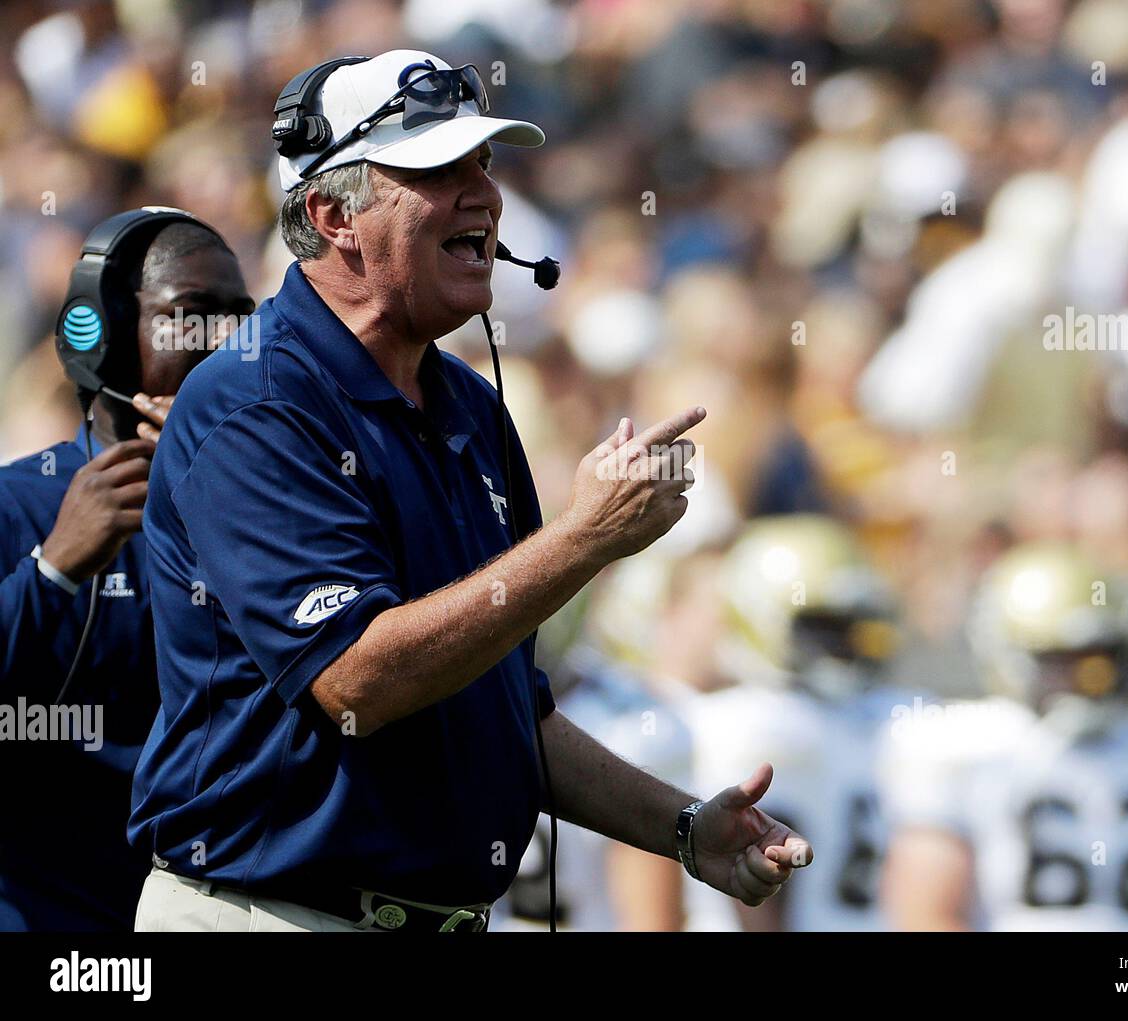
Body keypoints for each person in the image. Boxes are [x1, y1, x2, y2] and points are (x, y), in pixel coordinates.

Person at [129, 49, 811, 933]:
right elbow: (353, 682)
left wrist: (683, 829)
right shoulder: (254, 402)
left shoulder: (469, 406)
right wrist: (583, 539)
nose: (483, 195)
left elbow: (505, 709)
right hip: (272, 916)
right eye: (436, 169)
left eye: (483, 164)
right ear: (333, 212)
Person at [0, 209, 251, 930]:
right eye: (194, 316)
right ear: (103, 339)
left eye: (243, 317)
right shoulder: (19, 504)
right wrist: (55, 568)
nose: (227, 341)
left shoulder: (275, 516)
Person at [882, 543, 1128, 931]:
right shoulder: (968, 748)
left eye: (1101, 660)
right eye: (1060, 662)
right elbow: (927, 913)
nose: (1085, 680)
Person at [686, 516, 913, 931]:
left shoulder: (875, 716)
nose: (840, 646)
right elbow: (760, 872)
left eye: (848, 627)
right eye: (821, 626)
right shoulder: (756, 723)